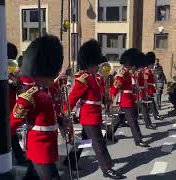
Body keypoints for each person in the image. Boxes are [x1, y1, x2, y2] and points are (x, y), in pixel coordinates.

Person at [66, 39, 126, 179]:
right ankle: (107, 168)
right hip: (88, 116)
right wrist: (65, 113)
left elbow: (97, 96)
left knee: (85, 141)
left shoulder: (94, 78)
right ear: (88, 64)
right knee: (98, 142)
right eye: (95, 64)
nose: (98, 67)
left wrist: (106, 99)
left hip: (94, 115)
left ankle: (72, 159)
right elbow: (72, 98)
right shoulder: (83, 79)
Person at [10, 35, 64, 180]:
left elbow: (53, 113)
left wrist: (62, 122)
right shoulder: (30, 96)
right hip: (39, 146)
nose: (53, 79)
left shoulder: (50, 90)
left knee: (32, 176)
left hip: (49, 143)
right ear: (38, 73)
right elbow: (12, 122)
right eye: (50, 75)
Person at [108, 48, 150, 148]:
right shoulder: (122, 73)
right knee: (132, 120)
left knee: (120, 118)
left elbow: (130, 86)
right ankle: (138, 139)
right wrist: (110, 99)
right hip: (126, 100)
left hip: (129, 98)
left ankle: (109, 134)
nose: (135, 67)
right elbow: (116, 86)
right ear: (130, 63)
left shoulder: (128, 73)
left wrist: (137, 89)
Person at [145, 52, 162, 120]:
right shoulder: (146, 72)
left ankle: (155, 114)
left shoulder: (150, 71)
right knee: (151, 102)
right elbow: (145, 82)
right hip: (148, 88)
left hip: (151, 88)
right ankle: (155, 115)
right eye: (152, 64)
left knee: (152, 102)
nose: (153, 65)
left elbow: (154, 79)